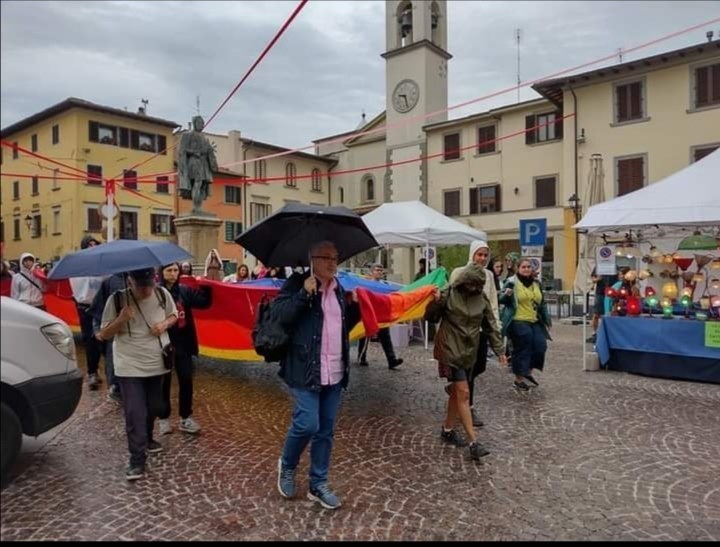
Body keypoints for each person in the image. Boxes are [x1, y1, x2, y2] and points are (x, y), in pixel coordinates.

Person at [274, 241, 361, 510]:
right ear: (312, 259)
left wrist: (355, 308)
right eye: (327, 258)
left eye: (336, 257)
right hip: (304, 368)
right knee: (306, 424)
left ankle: (318, 483)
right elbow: (280, 317)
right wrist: (302, 294)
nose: (333, 263)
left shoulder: (339, 290)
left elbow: (342, 328)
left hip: (334, 370)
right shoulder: (297, 283)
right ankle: (287, 465)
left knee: (325, 431)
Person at [100, 267, 177, 481]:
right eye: (141, 286)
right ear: (130, 281)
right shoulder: (116, 300)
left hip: (157, 362)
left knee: (154, 406)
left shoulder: (162, 294)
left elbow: (173, 315)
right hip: (129, 365)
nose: (146, 291)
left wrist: (164, 324)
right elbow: (103, 334)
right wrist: (121, 319)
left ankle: (148, 438)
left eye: (149, 285)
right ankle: (136, 460)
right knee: (135, 411)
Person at [425, 264, 506, 460]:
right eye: (470, 283)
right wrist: (435, 302)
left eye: (477, 285)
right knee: (463, 393)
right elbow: (430, 318)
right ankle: (473, 442)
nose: (473, 287)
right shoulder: (449, 293)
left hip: (469, 351)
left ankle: (447, 430)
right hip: (449, 349)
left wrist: (500, 350)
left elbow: (490, 325)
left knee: (456, 392)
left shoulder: (481, 299)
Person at [446, 241, 499, 427]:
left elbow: (492, 301)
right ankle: (468, 405)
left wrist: (496, 326)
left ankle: (456, 387)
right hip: (462, 330)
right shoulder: (459, 272)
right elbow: (451, 296)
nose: (482, 258)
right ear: (472, 255)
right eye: (479, 254)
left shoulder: (489, 276)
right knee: (467, 368)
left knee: (480, 366)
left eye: (485, 255)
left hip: (481, 328)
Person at [157, 262, 212, 435]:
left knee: (186, 379)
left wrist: (207, 284)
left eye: (175, 270)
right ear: (162, 272)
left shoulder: (184, 291)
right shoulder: (156, 293)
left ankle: (185, 418)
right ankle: (163, 419)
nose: (173, 274)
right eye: (169, 270)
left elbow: (204, 302)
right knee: (164, 383)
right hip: (164, 343)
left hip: (183, 343)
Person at [500, 258, 552, 392]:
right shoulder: (512, 282)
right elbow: (501, 299)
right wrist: (506, 295)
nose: (527, 269)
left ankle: (527, 371)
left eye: (528, 267)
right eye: (523, 267)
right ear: (518, 268)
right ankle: (519, 379)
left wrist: (546, 318)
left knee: (540, 345)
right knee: (524, 346)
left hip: (534, 320)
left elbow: (542, 302)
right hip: (518, 319)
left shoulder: (536, 283)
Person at [70, 235, 105, 390]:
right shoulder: (78, 266)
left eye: (94, 244)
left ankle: (111, 374)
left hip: (102, 306)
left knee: (104, 339)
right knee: (90, 340)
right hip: (85, 307)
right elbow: (78, 289)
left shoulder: (103, 264)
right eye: (89, 244)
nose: (92, 246)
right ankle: (92, 372)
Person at [357, 263, 403, 370]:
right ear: (372, 272)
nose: (379, 272)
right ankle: (362, 357)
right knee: (364, 337)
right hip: (370, 313)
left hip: (381, 315)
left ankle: (391, 360)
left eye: (380, 270)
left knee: (385, 337)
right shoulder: (367, 284)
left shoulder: (385, 285)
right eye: (377, 270)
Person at [91, 272, 126, 404]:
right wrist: (97, 328)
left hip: (137, 332)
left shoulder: (143, 278)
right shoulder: (109, 282)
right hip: (114, 329)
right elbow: (98, 307)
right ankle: (116, 387)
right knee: (114, 358)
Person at [177, 115, 218, 214]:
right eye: (199, 123)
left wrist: (210, 152)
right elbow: (182, 150)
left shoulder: (204, 138)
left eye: (202, 123)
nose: (201, 125)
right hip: (194, 162)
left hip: (204, 164)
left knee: (203, 185)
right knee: (197, 183)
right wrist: (194, 152)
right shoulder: (187, 135)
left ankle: (199, 206)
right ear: (194, 123)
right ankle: (196, 207)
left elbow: (208, 151)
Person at [587, 266, 617, 343]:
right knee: (596, 314)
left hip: (611, 294)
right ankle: (594, 333)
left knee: (610, 314)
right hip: (600, 293)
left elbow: (619, 279)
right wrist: (597, 279)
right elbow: (593, 279)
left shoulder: (615, 267)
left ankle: (609, 333)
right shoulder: (598, 267)